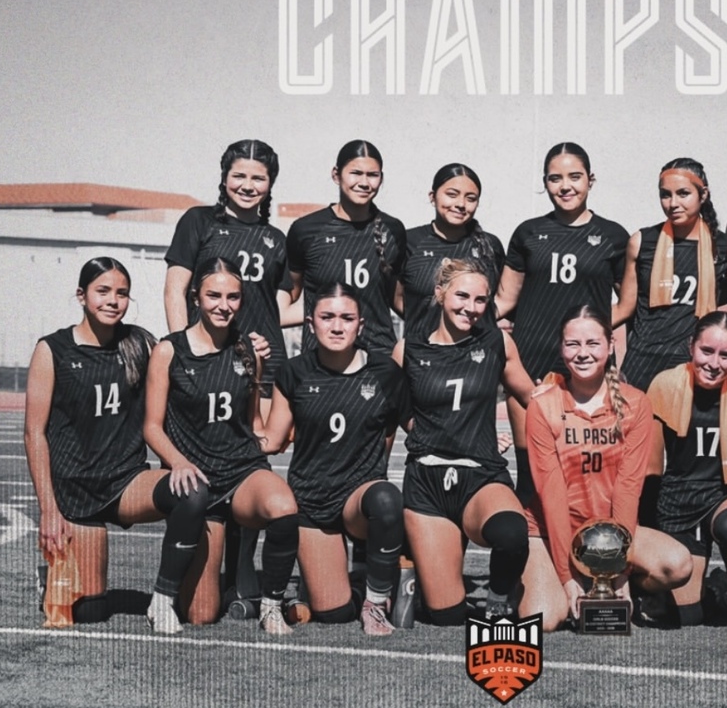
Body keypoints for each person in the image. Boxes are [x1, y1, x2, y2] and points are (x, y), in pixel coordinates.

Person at [23, 257, 209, 634]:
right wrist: (48, 511)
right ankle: (51, 574)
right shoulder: (53, 349)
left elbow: (191, 361)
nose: (113, 301)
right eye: (102, 291)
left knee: (191, 493)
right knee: (90, 612)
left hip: (126, 484)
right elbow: (34, 434)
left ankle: (163, 598)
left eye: (121, 293)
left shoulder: (140, 343)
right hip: (76, 493)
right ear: (81, 295)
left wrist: (245, 345)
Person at [144, 257, 299, 635]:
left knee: (283, 506)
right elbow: (151, 426)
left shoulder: (249, 349)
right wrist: (178, 463)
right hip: (196, 479)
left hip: (242, 471)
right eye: (214, 295)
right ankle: (160, 599)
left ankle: (271, 605)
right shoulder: (169, 350)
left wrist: (283, 431)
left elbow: (253, 424)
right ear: (196, 296)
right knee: (201, 613)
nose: (223, 304)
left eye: (233, 297)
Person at [519, 306, 692, 631]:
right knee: (543, 619)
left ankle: (626, 592)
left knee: (678, 565)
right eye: (572, 344)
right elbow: (552, 495)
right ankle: (538, 576)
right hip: (548, 529)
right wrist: (567, 578)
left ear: (611, 345)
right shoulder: (544, 405)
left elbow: (628, 489)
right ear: (561, 348)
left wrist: (621, 573)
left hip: (609, 528)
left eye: (592, 344)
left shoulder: (635, 404)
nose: (582, 353)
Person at [262, 282, 410, 635]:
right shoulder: (294, 371)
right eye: (327, 317)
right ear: (310, 323)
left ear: (361, 324)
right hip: (312, 501)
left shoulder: (386, 372)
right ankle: (358, 587)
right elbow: (272, 438)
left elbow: (401, 428)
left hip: (359, 501)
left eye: (347, 318)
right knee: (334, 613)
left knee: (387, 499)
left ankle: (375, 602)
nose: (337, 326)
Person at [393, 258, 534, 625]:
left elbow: (533, 398)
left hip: (479, 477)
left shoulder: (497, 342)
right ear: (440, 294)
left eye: (480, 300)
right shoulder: (408, 350)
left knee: (511, 533)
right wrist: (438, 433)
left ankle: (498, 600)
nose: (470, 308)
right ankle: (419, 561)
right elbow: (397, 413)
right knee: (447, 616)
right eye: (462, 296)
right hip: (427, 482)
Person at [494, 142, 628, 501]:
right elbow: (505, 299)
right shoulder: (528, 233)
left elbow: (628, 304)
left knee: (586, 479)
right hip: (529, 368)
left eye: (575, 177)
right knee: (532, 481)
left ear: (591, 180)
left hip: (586, 373)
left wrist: (591, 334)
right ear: (545, 182)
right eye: (555, 178)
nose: (565, 186)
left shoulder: (613, 236)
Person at [645, 311, 727, 632]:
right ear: (690, 346)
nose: (714, 363)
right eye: (706, 351)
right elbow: (650, 465)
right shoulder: (664, 383)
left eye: (726, 355)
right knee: (687, 617)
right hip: (679, 496)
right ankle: (715, 595)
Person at [164, 139, 289, 407]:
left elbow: (279, 310)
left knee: (259, 444)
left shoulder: (277, 239)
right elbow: (175, 290)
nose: (247, 186)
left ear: (270, 184)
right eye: (239, 176)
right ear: (224, 178)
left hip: (264, 358)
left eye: (258, 178)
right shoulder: (198, 221)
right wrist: (183, 350)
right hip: (207, 355)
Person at [613, 157, 727, 391]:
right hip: (643, 358)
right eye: (665, 194)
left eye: (683, 193)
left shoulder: (722, 247)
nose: (673, 203)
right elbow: (625, 308)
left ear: (703, 194)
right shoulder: (642, 241)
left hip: (691, 362)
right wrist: (578, 331)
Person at [286, 140, 406, 359]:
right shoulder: (306, 230)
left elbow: (398, 299)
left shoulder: (394, 230)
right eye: (356, 173)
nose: (364, 182)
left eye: (372, 175)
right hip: (320, 360)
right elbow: (287, 296)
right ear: (336, 175)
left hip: (378, 358)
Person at [395, 163, 504, 341]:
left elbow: (500, 299)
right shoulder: (409, 242)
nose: (461, 204)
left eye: (470, 198)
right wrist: (425, 320)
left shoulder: (490, 246)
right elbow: (397, 299)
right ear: (433, 197)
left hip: (476, 356)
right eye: (452, 195)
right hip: (421, 353)